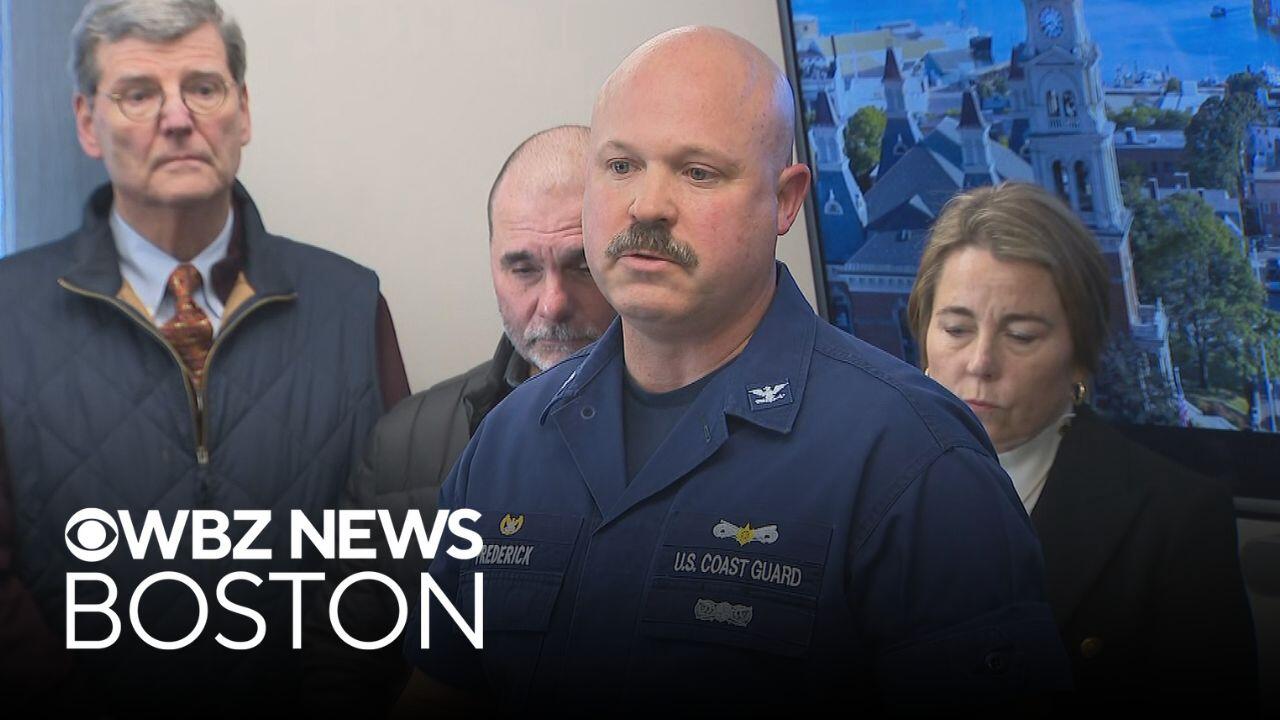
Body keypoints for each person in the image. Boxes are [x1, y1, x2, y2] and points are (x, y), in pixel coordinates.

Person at [396, 26, 1070, 712]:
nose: (647, 205)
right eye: (621, 166)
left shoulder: (913, 459)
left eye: (698, 172)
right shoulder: (508, 443)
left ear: (786, 200)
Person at [0, 0, 408, 712]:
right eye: (138, 93)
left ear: (242, 111)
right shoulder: (8, 313)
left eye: (204, 88)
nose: (178, 118)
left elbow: (389, 552)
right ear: (87, 122)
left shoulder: (351, 305)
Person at [906, 181, 1257, 711]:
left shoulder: (1176, 522)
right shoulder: (855, 485)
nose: (980, 363)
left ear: (1079, 356)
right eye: (956, 329)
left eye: (1021, 336)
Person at [302, 124, 615, 715]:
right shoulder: (402, 446)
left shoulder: (711, 429)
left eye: (582, 266)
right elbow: (340, 666)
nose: (551, 303)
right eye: (522, 269)